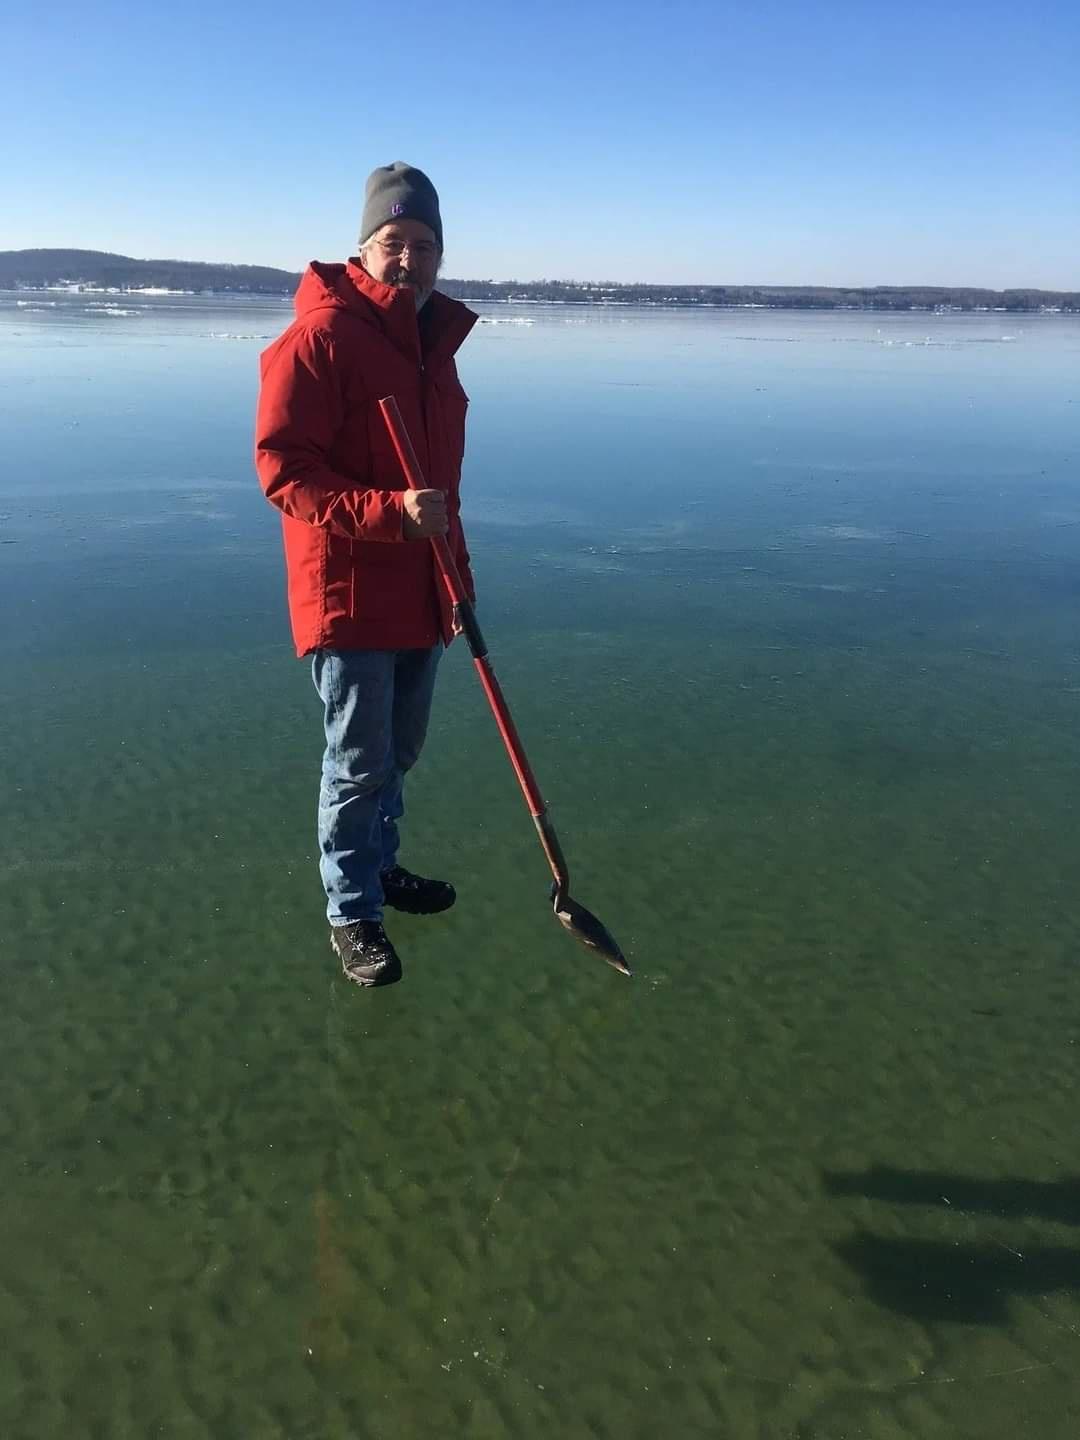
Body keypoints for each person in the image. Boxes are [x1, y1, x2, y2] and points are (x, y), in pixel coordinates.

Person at [254, 162, 478, 989]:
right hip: (348, 593)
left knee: (399, 753)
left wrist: (457, 574)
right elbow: (283, 470)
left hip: (422, 589)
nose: (411, 260)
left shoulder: (432, 349)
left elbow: (442, 493)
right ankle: (352, 913)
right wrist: (388, 513)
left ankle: (380, 868)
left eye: (425, 245)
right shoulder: (321, 338)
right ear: (363, 248)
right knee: (357, 762)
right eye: (395, 243)